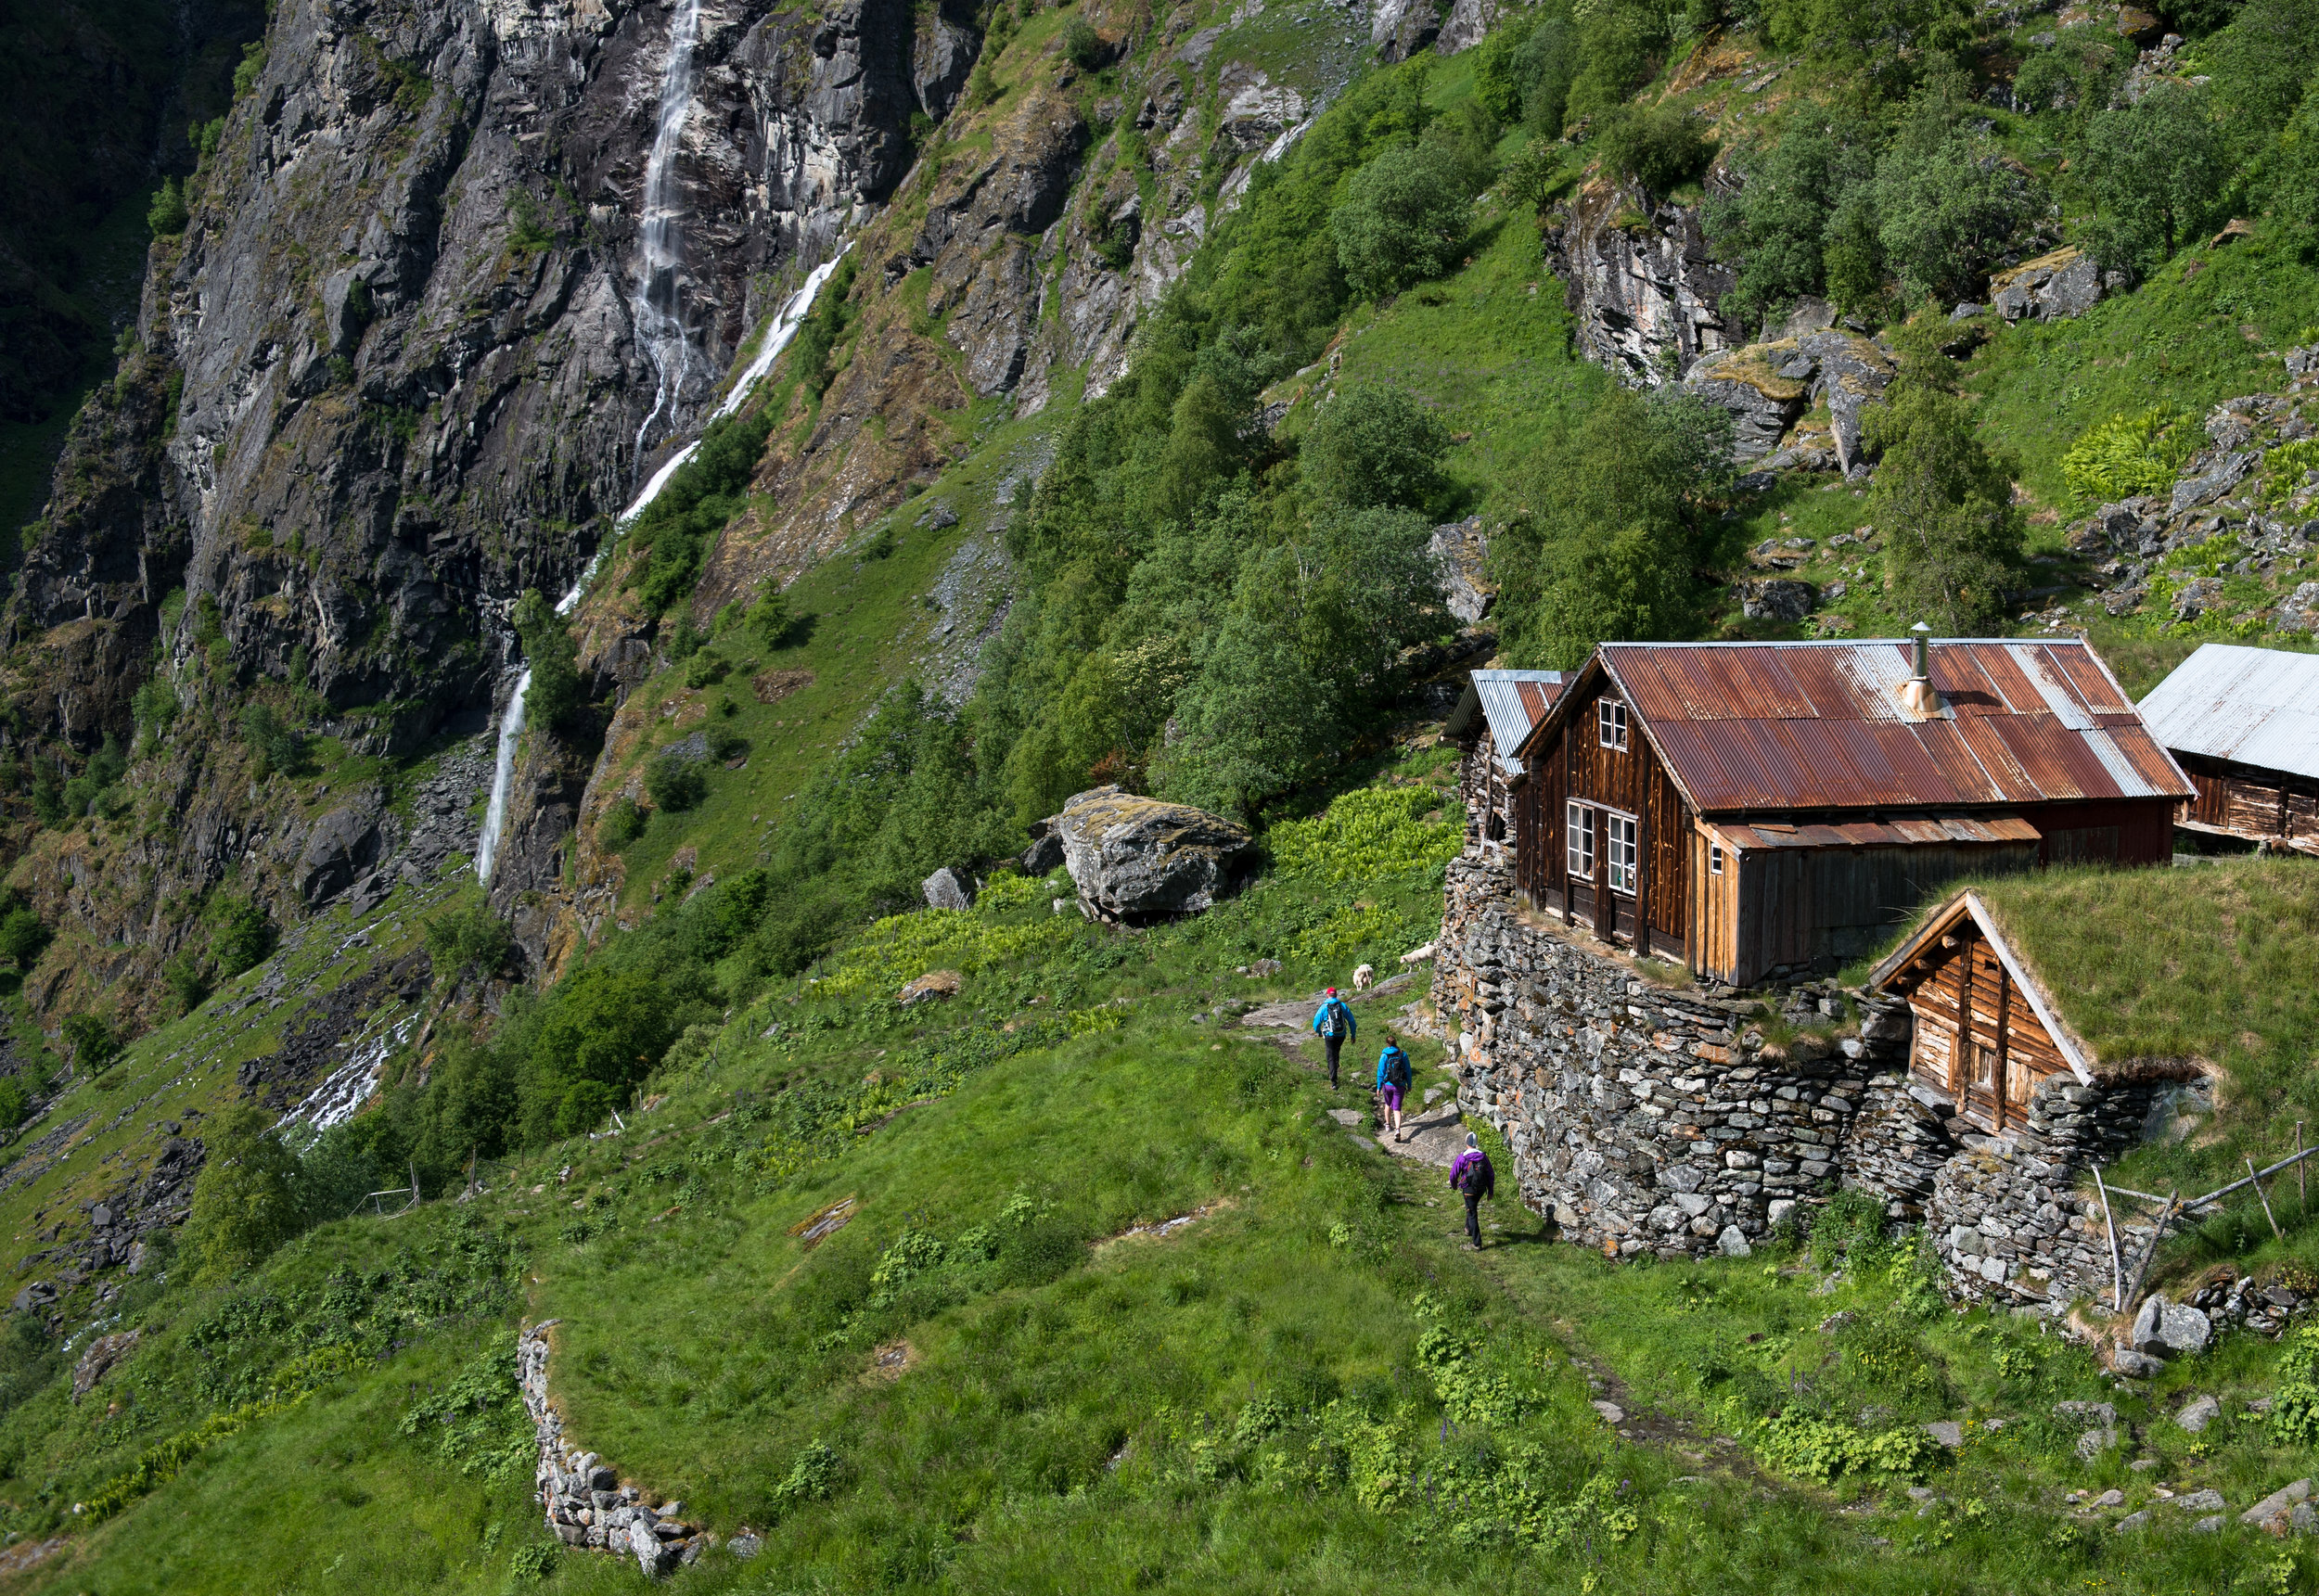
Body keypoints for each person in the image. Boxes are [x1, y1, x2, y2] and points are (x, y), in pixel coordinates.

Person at [1450, 1132, 1494, 1250]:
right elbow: (1490, 1174)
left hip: (1468, 1188)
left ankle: (1477, 1243)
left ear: (1466, 1142)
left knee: (1472, 1214)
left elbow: (1453, 1174)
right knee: (1471, 1207)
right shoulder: (1483, 1157)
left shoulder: (1463, 1157)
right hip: (1480, 1189)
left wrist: (1454, 1185)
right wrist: (1490, 1191)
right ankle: (1467, 1228)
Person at [1311, 987, 1356, 1089]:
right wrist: (1353, 1035)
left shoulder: (1324, 1007)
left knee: (1330, 1055)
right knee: (1336, 1052)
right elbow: (1352, 1021)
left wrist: (1318, 1032)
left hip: (1329, 1035)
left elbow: (1317, 1022)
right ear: (1336, 995)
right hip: (1341, 1035)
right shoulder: (1342, 1005)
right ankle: (1335, 1066)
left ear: (1327, 995)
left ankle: (1333, 1081)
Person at [1374, 1035, 1413, 1142]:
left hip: (1387, 1085)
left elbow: (1380, 1072)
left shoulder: (1384, 1055)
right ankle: (1398, 1130)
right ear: (1396, 1043)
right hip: (1399, 1085)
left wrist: (1378, 1086)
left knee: (1387, 1104)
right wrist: (1409, 1085)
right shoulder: (1402, 1054)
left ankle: (1387, 1125)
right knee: (1397, 1108)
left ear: (1387, 1044)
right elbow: (1408, 1071)